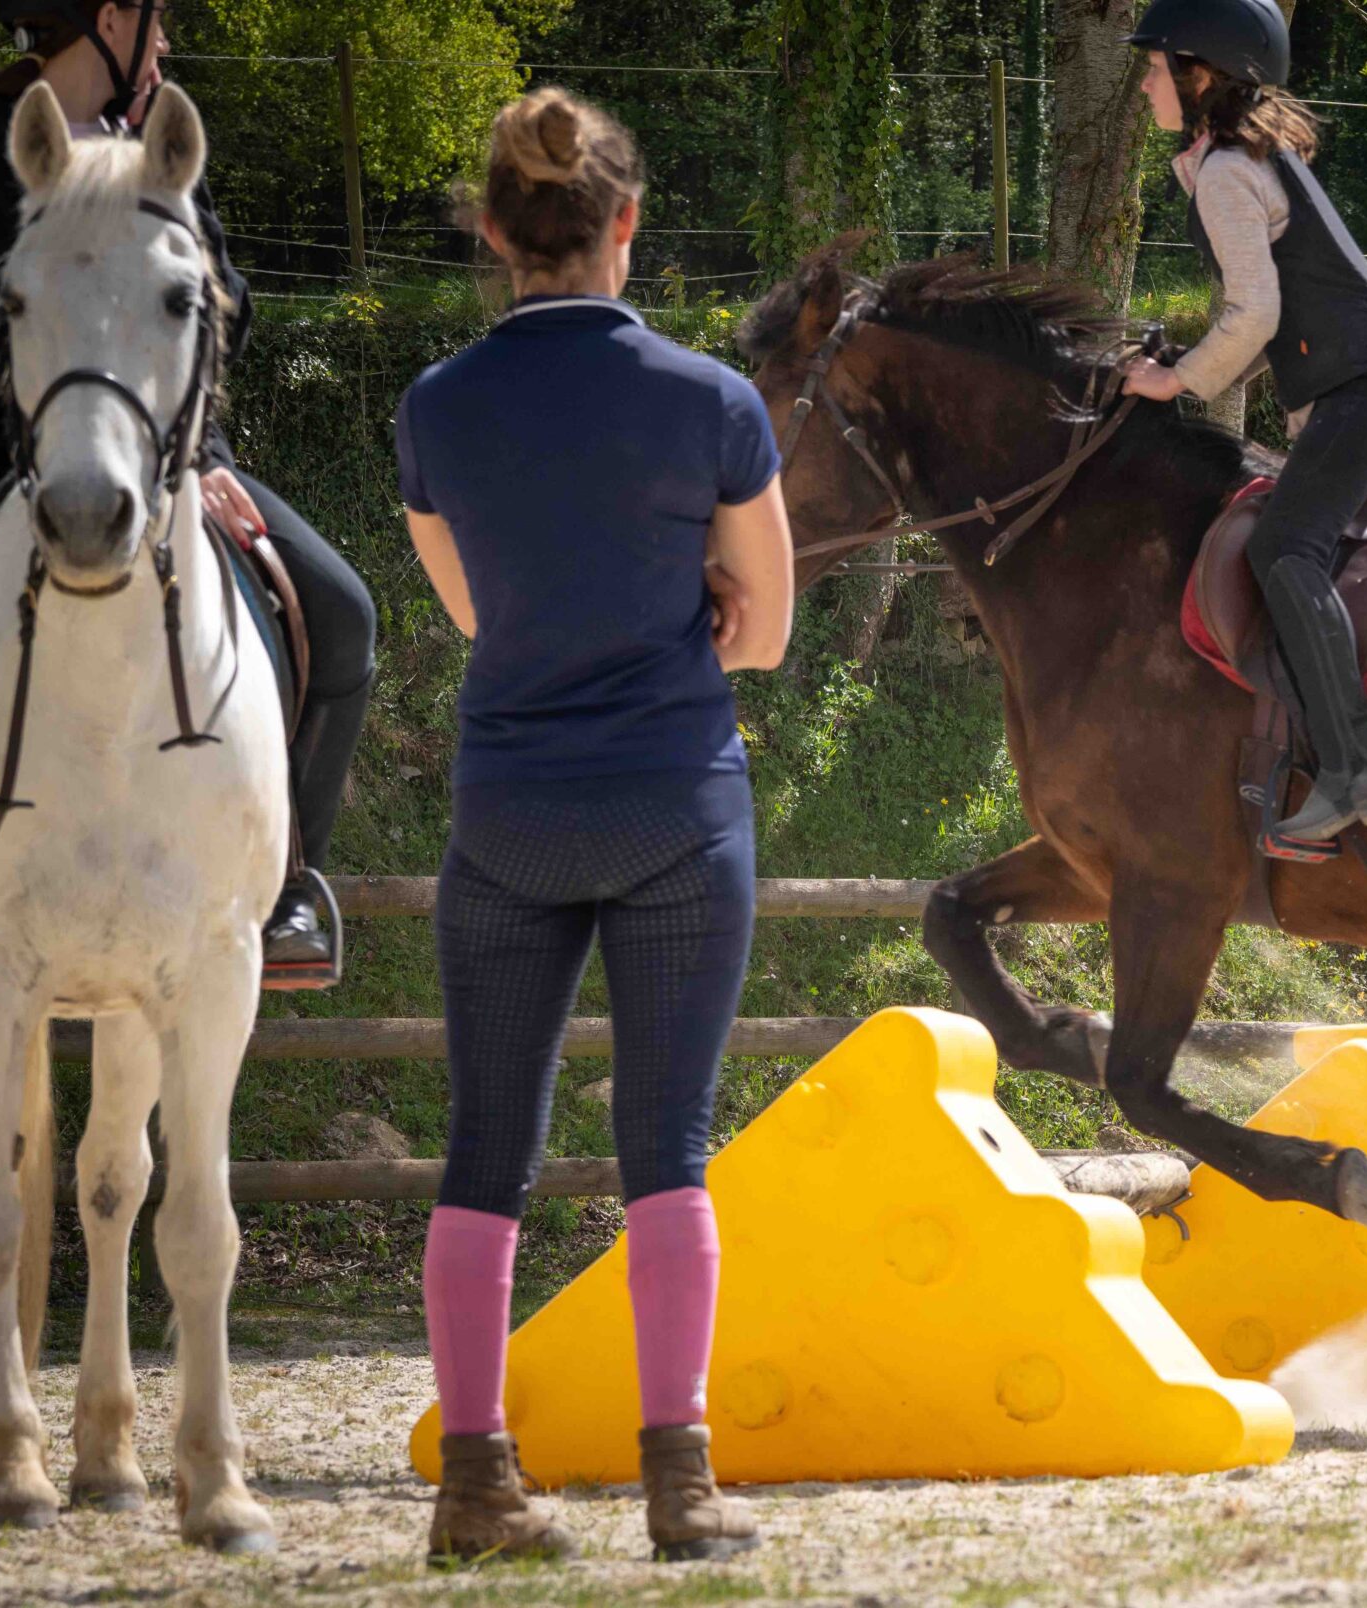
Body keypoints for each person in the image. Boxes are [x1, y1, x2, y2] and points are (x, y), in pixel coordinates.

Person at [395, 87, 794, 1564]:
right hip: (674, 810)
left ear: (493, 234)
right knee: (666, 1147)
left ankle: (473, 1488)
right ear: (628, 223)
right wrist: (684, 600)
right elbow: (765, 636)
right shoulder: (713, 405)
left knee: (485, 1145)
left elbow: (473, 613)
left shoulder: (435, 407)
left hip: (507, 814)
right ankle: (680, 1486)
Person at [0, 1, 375, 979]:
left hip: (173, 465)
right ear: (111, 18)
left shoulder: (153, 150)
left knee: (342, 615)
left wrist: (196, 460)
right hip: (6, 462)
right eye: (154, 23)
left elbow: (224, 314)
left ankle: (287, 888)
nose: (162, 46)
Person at [1119, 0, 1367, 842]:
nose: (1145, 82)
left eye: (1155, 67)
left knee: (1283, 549)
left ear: (1199, 75)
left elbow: (1254, 314)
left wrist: (1175, 380)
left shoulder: (1227, 169)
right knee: (1300, 549)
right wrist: (1182, 372)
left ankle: (1358, 768)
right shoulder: (1239, 159)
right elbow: (1271, 315)